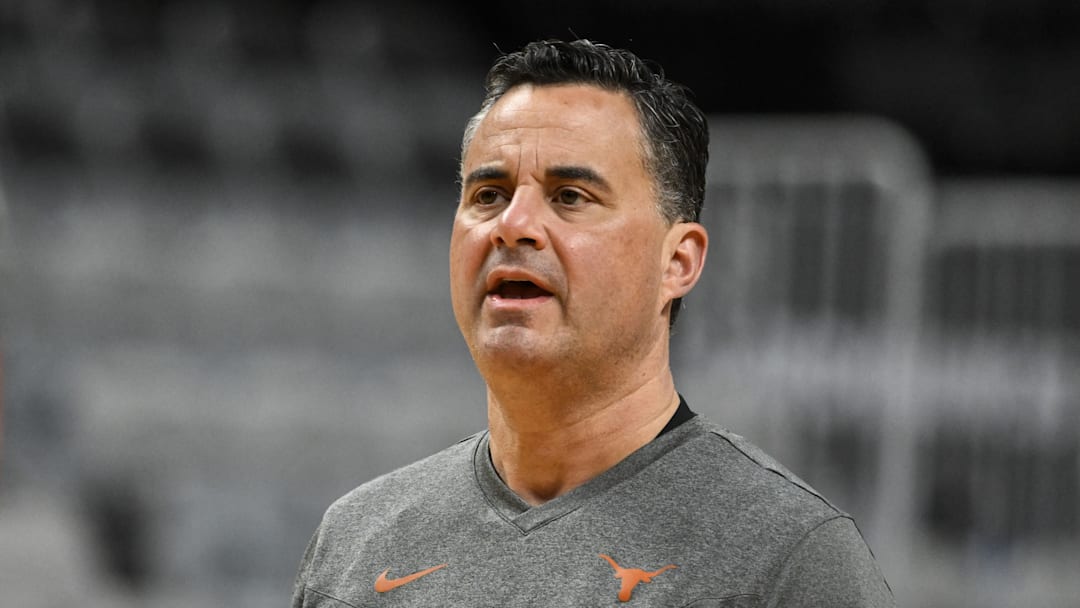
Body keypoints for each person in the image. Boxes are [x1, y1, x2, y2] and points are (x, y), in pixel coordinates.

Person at [292, 39, 894, 607]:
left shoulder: (790, 560)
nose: (513, 225)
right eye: (488, 195)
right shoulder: (356, 542)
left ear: (677, 262)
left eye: (571, 195)